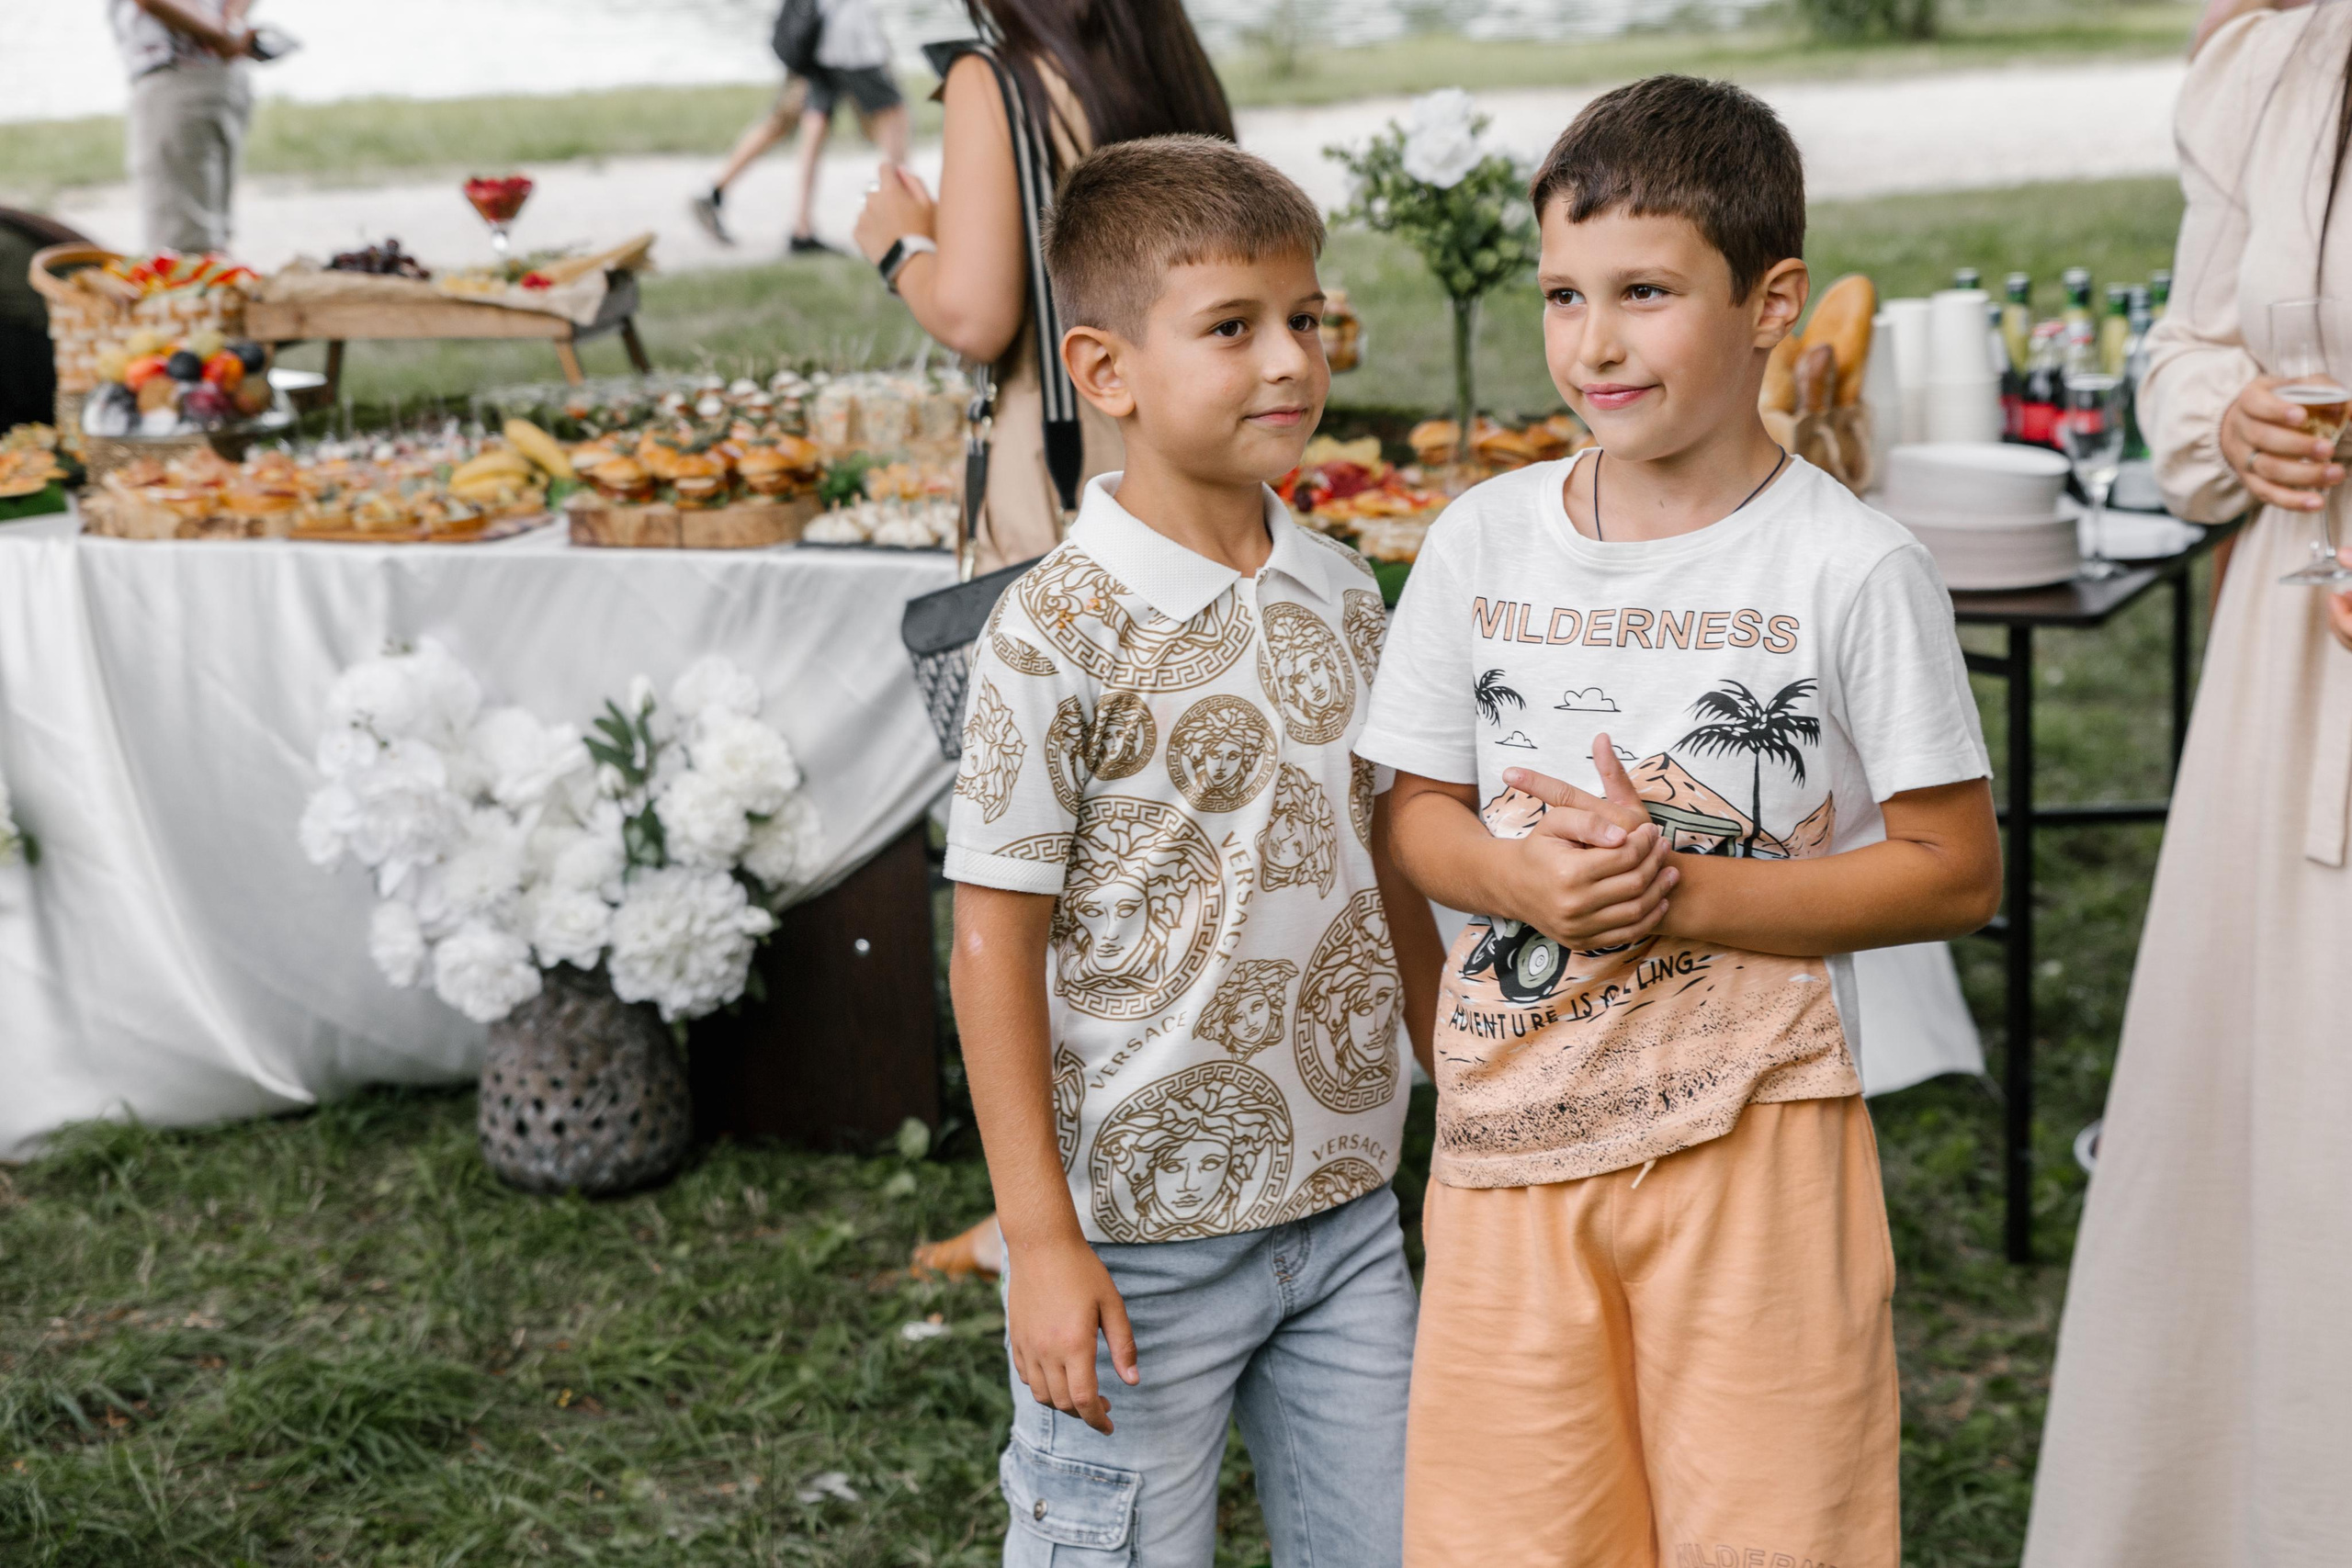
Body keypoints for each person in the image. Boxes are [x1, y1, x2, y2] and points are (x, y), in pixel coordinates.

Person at [1355, 75, 2003, 1567]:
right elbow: (1421, 817)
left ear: (1771, 300)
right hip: (1511, 1138)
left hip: (1756, 1140)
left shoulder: (1852, 567)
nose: (1594, 343)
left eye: (1645, 292)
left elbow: (1955, 870)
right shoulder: (1478, 541)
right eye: (1563, 295)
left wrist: (1678, 897)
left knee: (1771, 1523)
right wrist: (1520, 877)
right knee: (1518, 1528)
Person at [943, 135, 1445, 1566]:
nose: (1291, 358)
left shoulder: (1347, 590)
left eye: (1306, 317)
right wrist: (1040, 1237)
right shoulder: (1054, 632)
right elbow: (993, 941)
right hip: (1138, 1245)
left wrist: (1449, 1069)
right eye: (1234, 327)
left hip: (1350, 1212)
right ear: (1107, 371)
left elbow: (1390, 858)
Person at [2020, 6, 2352, 1562]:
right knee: (2287, 1125)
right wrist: (2228, 416)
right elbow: (2186, 345)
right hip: (2303, 673)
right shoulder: (2278, 56)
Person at [852, 0, 1235, 572]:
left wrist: (901, 247)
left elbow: (975, 321)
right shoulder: (1165, 57)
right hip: (1200, 457)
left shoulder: (997, 77)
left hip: (1066, 471)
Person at [690, 0, 910, 254]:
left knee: (809, 122)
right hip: (845, 37)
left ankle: (798, 226)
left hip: (819, 36)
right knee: (893, 117)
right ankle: (899, 217)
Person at [108, 0, 257, 254]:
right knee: (211, 242)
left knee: (181, 250)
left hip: (175, 74)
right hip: (223, 75)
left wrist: (220, 32)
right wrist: (230, 27)